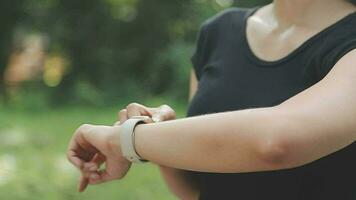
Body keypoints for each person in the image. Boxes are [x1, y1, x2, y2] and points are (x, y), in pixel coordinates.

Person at [67, 0, 356, 199]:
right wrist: (159, 134)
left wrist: (122, 140)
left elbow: (277, 142)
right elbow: (196, 189)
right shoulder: (218, 32)